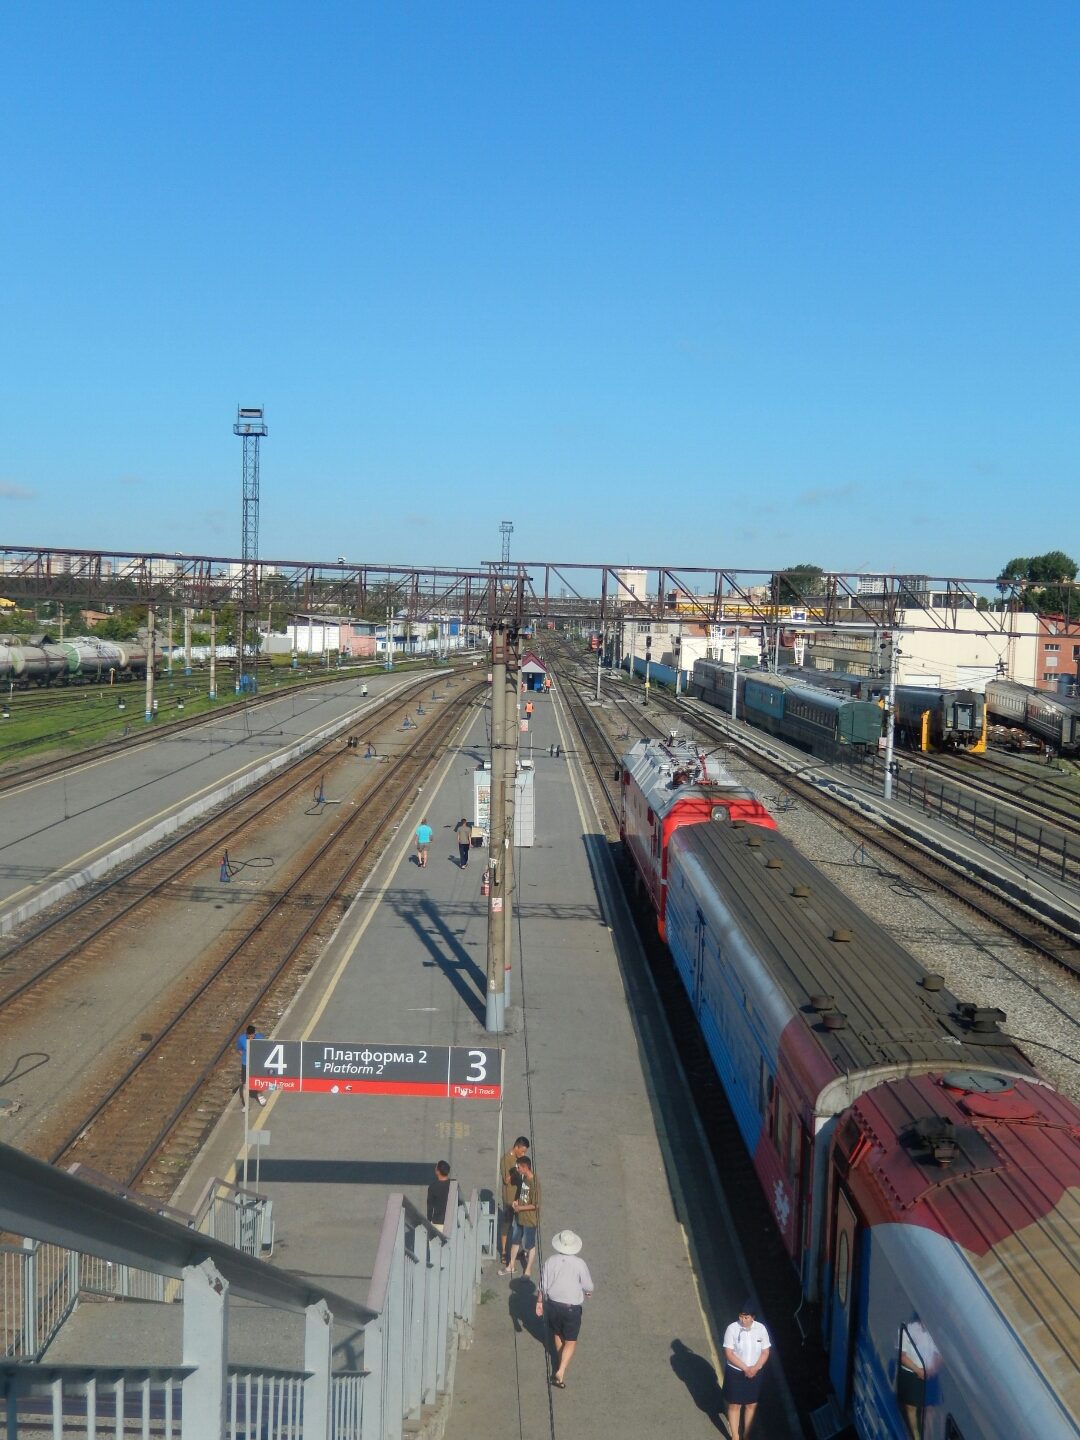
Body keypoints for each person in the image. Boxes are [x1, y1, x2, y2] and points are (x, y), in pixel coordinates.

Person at [535, 1230, 594, 1389]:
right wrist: (588, 1292)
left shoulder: (550, 1261)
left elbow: (543, 1284)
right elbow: (588, 1286)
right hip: (571, 1309)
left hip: (553, 1305)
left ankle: (561, 1361)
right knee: (571, 1340)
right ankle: (561, 1370)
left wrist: (539, 1302)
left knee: (558, 1333)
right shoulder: (579, 1263)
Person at [723, 1304, 771, 1439]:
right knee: (735, 1405)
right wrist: (745, 1368)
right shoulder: (732, 1329)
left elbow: (765, 1351)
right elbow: (729, 1353)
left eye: (746, 1317)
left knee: (751, 1404)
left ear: (753, 1317)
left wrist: (755, 1368)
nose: (743, 1320)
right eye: (741, 1316)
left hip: (755, 1373)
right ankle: (735, 1436)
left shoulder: (761, 1329)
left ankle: (747, 1434)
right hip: (736, 1372)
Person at [498, 1155, 540, 1279]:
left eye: (518, 1167)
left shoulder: (534, 1183)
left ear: (525, 1167)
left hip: (529, 1220)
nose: (517, 1169)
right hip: (519, 1217)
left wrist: (520, 1208)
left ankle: (528, 1270)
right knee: (515, 1241)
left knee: (529, 1245)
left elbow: (536, 1205)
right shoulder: (524, 1179)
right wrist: (517, 1201)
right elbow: (523, 1196)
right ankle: (510, 1265)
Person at [498, 1136, 530, 1263]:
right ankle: (504, 1252)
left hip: (520, 1198)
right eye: (522, 1151)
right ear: (516, 1147)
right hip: (509, 1199)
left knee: (520, 1225)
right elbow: (506, 1180)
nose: (523, 1154)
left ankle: (519, 1249)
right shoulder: (506, 1160)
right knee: (506, 1225)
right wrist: (516, 1171)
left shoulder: (520, 1159)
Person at [236, 1024, 268, 1108]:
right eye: (248, 1036)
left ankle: (259, 1095)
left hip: (256, 1063)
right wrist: (244, 1056)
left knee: (259, 1081)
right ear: (246, 1034)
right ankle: (246, 1105)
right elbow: (239, 1049)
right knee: (245, 1085)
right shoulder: (242, 1039)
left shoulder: (260, 1038)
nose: (250, 1037)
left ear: (254, 1034)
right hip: (245, 1064)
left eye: (252, 1035)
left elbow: (265, 1049)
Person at [427, 1160, 452, 1233]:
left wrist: (429, 1222)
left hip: (438, 1222)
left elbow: (430, 1208)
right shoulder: (454, 1184)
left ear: (437, 1171)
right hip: (451, 1221)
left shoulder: (433, 1187)